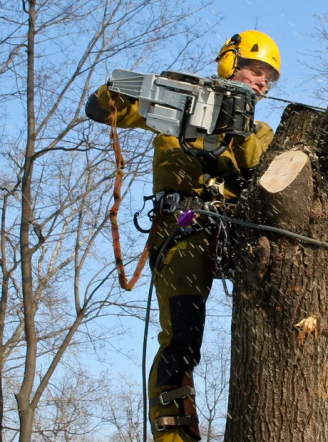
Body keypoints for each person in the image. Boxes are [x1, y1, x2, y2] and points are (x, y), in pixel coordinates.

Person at [85, 30, 281, 442]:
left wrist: (229, 130)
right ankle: (174, 438)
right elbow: (103, 108)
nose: (263, 82)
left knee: (272, 327)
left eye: (269, 78)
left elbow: (256, 164)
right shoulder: (179, 107)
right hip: (186, 229)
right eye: (257, 70)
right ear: (231, 62)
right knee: (182, 337)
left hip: (238, 235)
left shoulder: (260, 131)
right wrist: (143, 90)